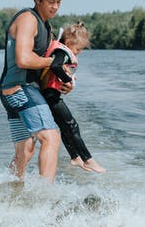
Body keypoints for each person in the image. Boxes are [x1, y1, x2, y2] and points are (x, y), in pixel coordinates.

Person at [0, 0, 72, 183]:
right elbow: (23, 59)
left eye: (58, 3)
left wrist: (63, 80)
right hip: (19, 88)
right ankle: (44, 199)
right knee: (51, 137)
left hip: (13, 92)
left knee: (25, 151)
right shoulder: (28, 19)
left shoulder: (46, 28)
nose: (55, 7)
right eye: (50, 1)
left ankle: (10, 192)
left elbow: (44, 68)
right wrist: (53, 63)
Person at [40, 22, 106, 173]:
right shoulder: (62, 52)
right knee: (72, 125)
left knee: (64, 126)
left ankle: (75, 157)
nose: (79, 52)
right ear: (69, 43)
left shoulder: (62, 50)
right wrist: (68, 80)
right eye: (78, 49)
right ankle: (88, 160)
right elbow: (55, 66)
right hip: (51, 95)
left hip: (50, 94)